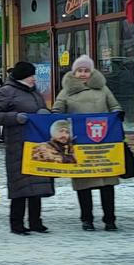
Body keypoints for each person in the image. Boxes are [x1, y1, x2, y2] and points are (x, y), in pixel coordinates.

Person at [52, 55, 123, 231]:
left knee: (107, 185)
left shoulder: (103, 88)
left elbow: (114, 106)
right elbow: (57, 110)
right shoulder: (67, 91)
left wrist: (118, 114)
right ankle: (87, 219)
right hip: (80, 146)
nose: (83, 74)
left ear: (91, 72)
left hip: (103, 147)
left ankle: (110, 219)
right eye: (79, 71)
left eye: (86, 70)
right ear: (74, 72)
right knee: (84, 186)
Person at [0, 61, 54, 235]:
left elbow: (41, 110)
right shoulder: (6, 91)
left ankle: (36, 222)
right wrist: (15, 117)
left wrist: (46, 114)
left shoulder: (35, 92)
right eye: (31, 75)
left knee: (37, 183)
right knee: (20, 185)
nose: (34, 78)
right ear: (22, 77)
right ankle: (16, 223)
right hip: (18, 144)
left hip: (37, 144)